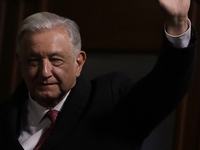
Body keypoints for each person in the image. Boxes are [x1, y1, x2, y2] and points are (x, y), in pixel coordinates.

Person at [0, 0, 196, 150]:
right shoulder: (6, 116)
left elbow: (165, 90)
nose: (45, 72)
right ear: (20, 63)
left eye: (56, 60)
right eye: (33, 61)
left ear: (78, 62)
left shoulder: (112, 101)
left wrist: (177, 23)